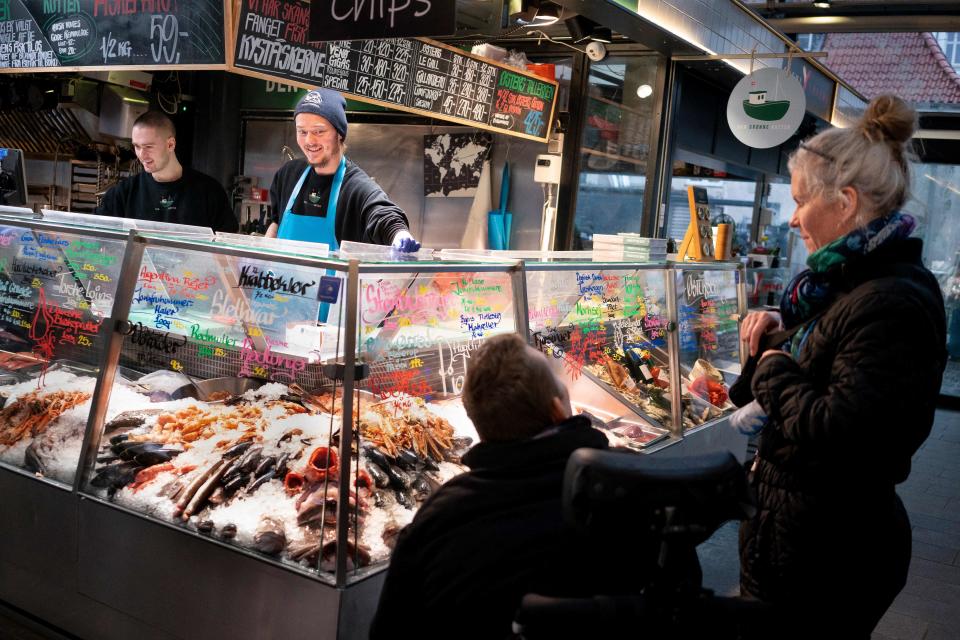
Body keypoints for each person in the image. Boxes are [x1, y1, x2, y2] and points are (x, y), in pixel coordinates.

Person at [732, 95, 947, 639]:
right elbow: (821, 367)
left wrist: (776, 366)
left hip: (829, 552)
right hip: (802, 537)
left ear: (846, 203)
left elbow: (841, 429)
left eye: (802, 200)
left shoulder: (889, 300)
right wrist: (775, 337)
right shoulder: (843, 284)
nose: (794, 216)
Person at [369, 333, 655, 639]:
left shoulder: (437, 518)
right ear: (558, 411)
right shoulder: (626, 480)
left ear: (479, 427)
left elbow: (389, 629)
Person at [266, 88, 419, 252]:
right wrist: (259, 260)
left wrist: (399, 234)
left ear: (339, 133)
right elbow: (276, 222)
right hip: (284, 278)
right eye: (302, 131)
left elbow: (383, 214)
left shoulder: (355, 186)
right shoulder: (288, 175)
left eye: (319, 131)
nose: (309, 140)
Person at [96, 111, 237, 232]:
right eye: (137, 147)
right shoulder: (123, 193)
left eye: (148, 147)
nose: (141, 155)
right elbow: (96, 236)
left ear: (170, 144)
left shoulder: (209, 191)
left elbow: (228, 246)